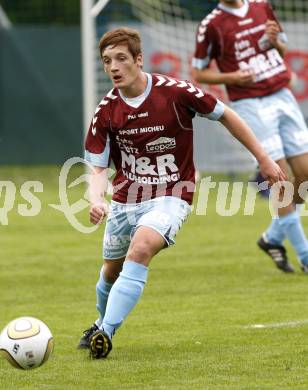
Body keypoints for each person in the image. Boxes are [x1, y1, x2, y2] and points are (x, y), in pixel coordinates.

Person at [79, 27, 284, 359]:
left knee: (141, 247)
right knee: (110, 272)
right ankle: (100, 322)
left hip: (173, 193)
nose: (113, 67)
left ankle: (105, 332)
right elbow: (98, 168)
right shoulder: (105, 112)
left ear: (138, 59)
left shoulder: (175, 92)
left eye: (120, 59)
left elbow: (226, 115)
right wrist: (96, 199)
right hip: (125, 199)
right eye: (106, 61)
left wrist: (263, 158)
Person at [192, 0, 308, 273]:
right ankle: (305, 255)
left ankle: (272, 237)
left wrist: (275, 42)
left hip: (282, 95)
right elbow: (199, 72)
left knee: (304, 177)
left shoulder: (261, 6)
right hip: (250, 103)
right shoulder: (212, 25)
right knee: (279, 180)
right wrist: (233, 77)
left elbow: (281, 49)